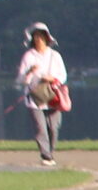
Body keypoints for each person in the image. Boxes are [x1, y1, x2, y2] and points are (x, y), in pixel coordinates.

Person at [15, 24, 69, 167]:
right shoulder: (28, 56)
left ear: (47, 38)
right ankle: (45, 155)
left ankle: (50, 152)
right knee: (40, 127)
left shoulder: (55, 56)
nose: (39, 39)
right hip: (34, 97)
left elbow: (63, 75)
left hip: (53, 95)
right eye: (36, 37)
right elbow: (20, 80)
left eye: (41, 36)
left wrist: (52, 78)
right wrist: (29, 72)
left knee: (53, 127)